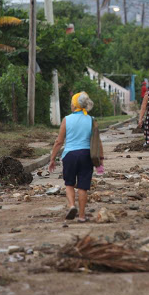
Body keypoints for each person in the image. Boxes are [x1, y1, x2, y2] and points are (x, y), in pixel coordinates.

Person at [49, 92, 103, 222]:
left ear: (74, 104)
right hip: (86, 155)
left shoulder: (66, 119)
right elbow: (97, 141)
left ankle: (72, 205)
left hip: (70, 155)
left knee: (69, 184)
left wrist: (52, 159)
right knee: (83, 187)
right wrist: (100, 161)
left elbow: (59, 142)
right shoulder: (91, 119)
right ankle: (82, 216)